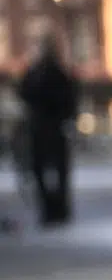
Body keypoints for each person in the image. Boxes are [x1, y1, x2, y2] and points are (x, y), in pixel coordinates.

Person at [18, 35, 79, 226]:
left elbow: (26, 93)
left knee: (47, 171)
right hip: (52, 128)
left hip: (43, 127)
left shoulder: (40, 73)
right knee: (56, 171)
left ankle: (52, 210)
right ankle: (57, 210)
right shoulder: (58, 73)